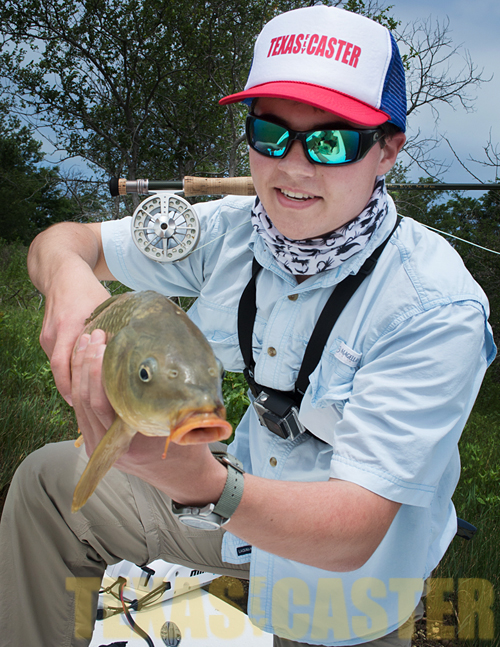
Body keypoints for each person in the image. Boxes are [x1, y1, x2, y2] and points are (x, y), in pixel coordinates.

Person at [0, 5, 496, 647]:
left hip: (348, 572)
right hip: (229, 496)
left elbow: (351, 531)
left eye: (331, 140)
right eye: (270, 133)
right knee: (47, 486)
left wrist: (199, 482)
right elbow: (62, 241)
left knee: (326, 616)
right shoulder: (226, 231)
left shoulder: (435, 307)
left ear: (388, 151)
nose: (292, 167)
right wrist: (68, 278)